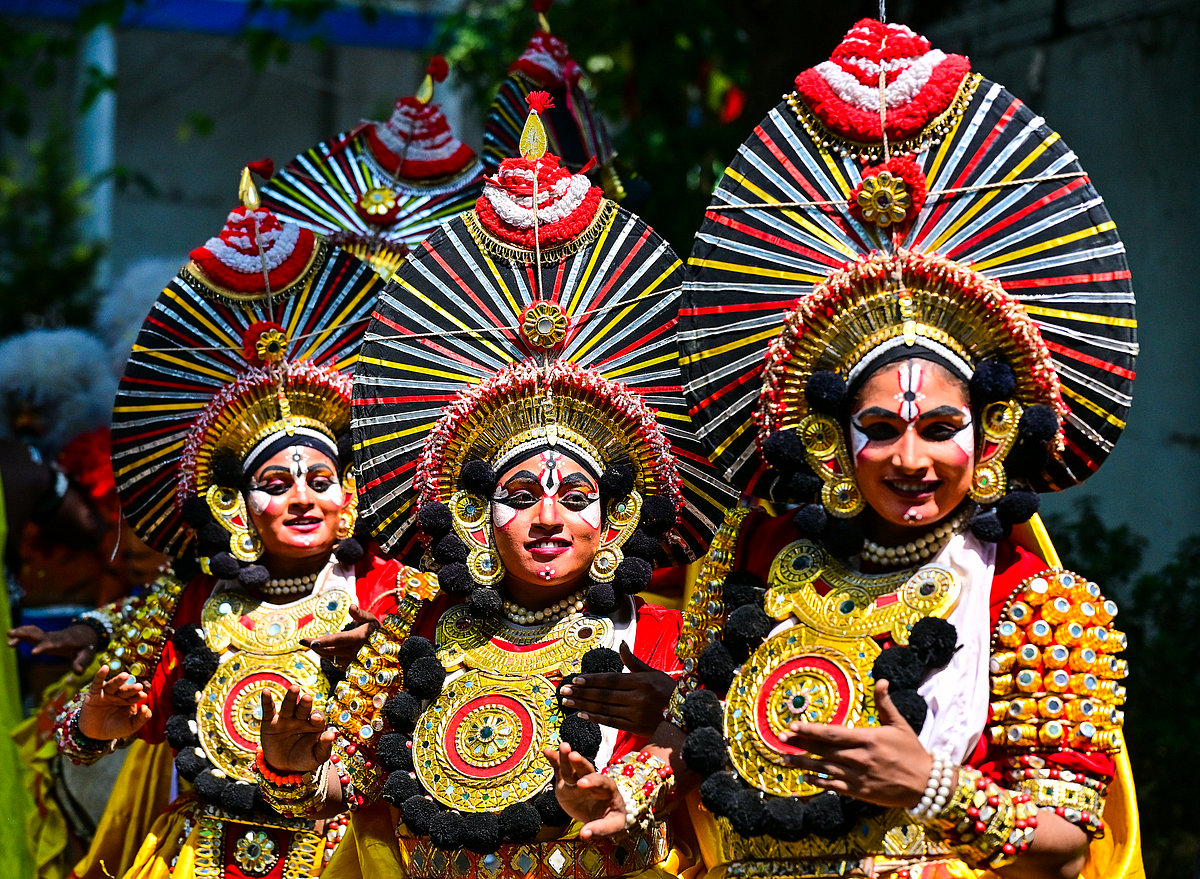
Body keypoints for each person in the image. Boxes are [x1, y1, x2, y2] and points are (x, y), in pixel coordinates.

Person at [551, 18, 1142, 879]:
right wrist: (622, 801)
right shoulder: (753, 565)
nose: (911, 459)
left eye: (940, 429)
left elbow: (1065, 848)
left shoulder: (1034, 601)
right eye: (882, 429)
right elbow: (707, 766)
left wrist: (930, 787)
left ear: (990, 436)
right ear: (831, 439)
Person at [255, 93, 733, 879]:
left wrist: (620, 797)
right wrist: (288, 764)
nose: (547, 517)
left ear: (616, 520)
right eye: (519, 496)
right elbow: (350, 792)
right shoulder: (418, 630)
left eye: (575, 499)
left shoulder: (659, 642)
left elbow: (695, 802)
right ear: (475, 515)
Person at [51, 175, 395, 879]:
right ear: (236, 507)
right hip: (201, 854)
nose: (300, 498)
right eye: (275, 484)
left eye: (319, 480)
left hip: (339, 856)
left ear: (350, 494)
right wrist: (94, 724)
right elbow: (115, 724)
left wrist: (379, 652)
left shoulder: (392, 594)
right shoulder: (201, 601)